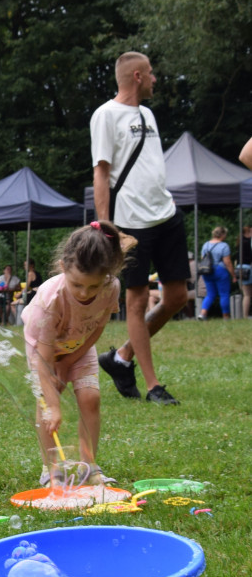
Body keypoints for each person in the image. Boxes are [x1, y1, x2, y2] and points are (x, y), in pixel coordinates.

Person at [91, 51, 185, 405]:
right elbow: (101, 170)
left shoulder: (148, 114)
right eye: (150, 73)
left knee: (176, 297)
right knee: (137, 300)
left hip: (167, 214)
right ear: (137, 77)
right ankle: (152, 386)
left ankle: (121, 357)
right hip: (131, 223)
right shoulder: (105, 115)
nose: (155, 79)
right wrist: (105, 225)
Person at [24, 221, 131, 486]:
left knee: (91, 398)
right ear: (63, 267)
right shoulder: (51, 299)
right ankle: (52, 470)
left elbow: (97, 327)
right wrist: (55, 403)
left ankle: (89, 466)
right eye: (77, 285)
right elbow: (44, 357)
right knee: (48, 407)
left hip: (80, 347)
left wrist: (72, 359)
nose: (85, 293)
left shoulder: (111, 287)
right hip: (43, 353)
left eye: (93, 287)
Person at [197, 226, 235, 320]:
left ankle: (203, 314)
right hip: (220, 271)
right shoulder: (224, 246)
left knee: (210, 294)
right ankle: (225, 316)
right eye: (225, 234)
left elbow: (203, 259)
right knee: (224, 294)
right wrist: (233, 275)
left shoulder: (205, 245)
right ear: (222, 234)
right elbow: (228, 262)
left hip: (207, 271)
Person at [240, 226, 252, 318]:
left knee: (246, 294)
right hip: (248, 268)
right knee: (247, 294)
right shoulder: (248, 242)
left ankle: (245, 315)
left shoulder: (239, 242)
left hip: (240, 268)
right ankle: (245, 315)